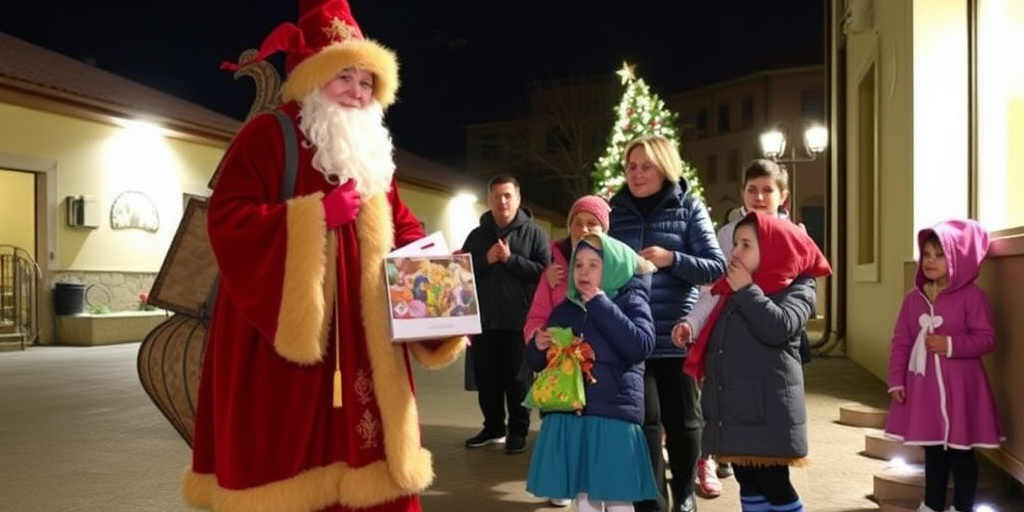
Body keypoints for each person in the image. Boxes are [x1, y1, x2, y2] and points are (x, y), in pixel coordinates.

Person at [184, 2, 466, 512]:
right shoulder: (268, 135)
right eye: (344, 77)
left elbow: (403, 227)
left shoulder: (373, 154)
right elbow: (227, 219)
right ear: (313, 77)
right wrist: (315, 217)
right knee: (289, 474)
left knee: (374, 467)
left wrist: (441, 278)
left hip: (364, 340)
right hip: (286, 347)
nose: (357, 92)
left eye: (366, 82)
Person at [608, 135, 726, 512]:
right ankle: (652, 500)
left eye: (646, 166)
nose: (637, 174)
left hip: (676, 335)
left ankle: (685, 493)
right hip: (632, 336)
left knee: (684, 422)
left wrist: (670, 259)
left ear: (665, 167)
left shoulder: (688, 207)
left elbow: (716, 267)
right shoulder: (615, 211)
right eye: (631, 167)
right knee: (644, 423)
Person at [683, 211, 832, 512]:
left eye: (746, 245)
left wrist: (747, 290)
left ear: (773, 248)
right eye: (735, 243)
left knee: (774, 484)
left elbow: (779, 327)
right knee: (747, 480)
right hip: (735, 409)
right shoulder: (732, 287)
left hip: (768, 412)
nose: (735, 252)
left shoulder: (798, 286)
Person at [671, 159, 793, 497]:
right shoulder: (728, 234)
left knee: (771, 460)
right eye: (752, 189)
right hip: (730, 345)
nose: (759, 196)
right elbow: (712, 289)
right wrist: (692, 323)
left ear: (783, 196)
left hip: (771, 353)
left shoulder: (794, 236)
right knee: (735, 442)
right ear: (742, 193)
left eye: (767, 190)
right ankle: (708, 460)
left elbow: (795, 304)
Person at [525, 233, 659, 512]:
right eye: (578, 264)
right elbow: (540, 364)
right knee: (584, 495)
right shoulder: (565, 309)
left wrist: (601, 304)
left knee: (618, 494)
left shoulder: (631, 301)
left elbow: (639, 346)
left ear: (614, 269)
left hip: (614, 415)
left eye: (594, 265)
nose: (583, 271)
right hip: (572, 414)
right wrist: (538, 346)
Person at [883, 219, 1004, 512]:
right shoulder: (913, 300)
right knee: (934, 452)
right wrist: (897, 380)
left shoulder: (973, 297)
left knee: (962, 454)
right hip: (925, 391)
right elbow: (901, 341)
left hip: (962, 390)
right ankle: (932, 505)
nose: (930, 261)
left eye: (939, 255)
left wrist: (949, 344)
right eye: (926, 254)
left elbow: (987, 339)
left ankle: (963, 507)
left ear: (957, 259)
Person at [522, 194, 610, 507]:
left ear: (604, 230)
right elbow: (535, 317)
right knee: (559, 427)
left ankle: (590, 486)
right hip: (560, 367)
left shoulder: (614, 268)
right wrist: (538, 337)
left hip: (597, 368)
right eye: (577, 223)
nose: (584, 229)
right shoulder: (554, 271)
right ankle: (560, 482)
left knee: (592, 431)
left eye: (592, 223)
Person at [461, 174, 550, 454]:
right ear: (489, 200)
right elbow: (459, 274)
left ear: (518, 198)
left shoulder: (534, 234)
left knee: (517, 381)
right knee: (487, 380)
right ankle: (493, 427)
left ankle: (518, 431)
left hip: (519, 322)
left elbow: (545, 273)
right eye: (497, 196)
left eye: (508, 195)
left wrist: (511, 260)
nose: (503, 201)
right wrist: (486, 260)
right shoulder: (477, 236)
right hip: (483, 322)